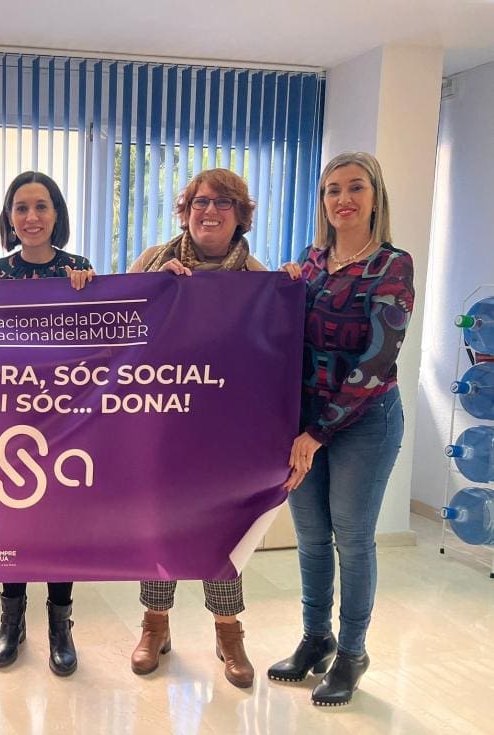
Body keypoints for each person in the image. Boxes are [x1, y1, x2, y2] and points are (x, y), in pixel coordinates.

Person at [268, 151, 414, 706]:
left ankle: (352, 652)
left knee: (352, 538)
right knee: (310, 537)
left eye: (356, 187)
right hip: (306, 422)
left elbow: (377, 360)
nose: (343, 199)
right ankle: (316, 638)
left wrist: (317, 433)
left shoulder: (392, 265)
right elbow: (278, 332)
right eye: (333, 189)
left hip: (364, 421)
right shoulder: (308, 264)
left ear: (375, 197)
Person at [126, 168, 264, 689]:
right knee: (160, 522)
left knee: (221, 528)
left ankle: (229, 633)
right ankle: (155, 625)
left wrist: (292, 285)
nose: (210, 211)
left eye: (224, 203)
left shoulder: (257, 276)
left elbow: (270, 349)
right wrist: (158, 291)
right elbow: (119, 329)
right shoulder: (152, 260)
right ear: (185, 211)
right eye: (201, 202)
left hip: (224, 429)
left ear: (240, 215)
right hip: (161, 422)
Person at [0, 170, 94, 676]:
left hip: (66, 418)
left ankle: (60, 625)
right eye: (21, 208)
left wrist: (90, 293)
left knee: (60, 522)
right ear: (9, 218)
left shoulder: (79, 269)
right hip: (11, 417)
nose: (31, 217)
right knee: (13, 518)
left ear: (56, 214)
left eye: (41, 206)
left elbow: (100, 340)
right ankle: (12, 619)